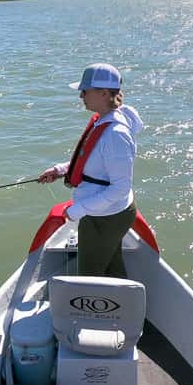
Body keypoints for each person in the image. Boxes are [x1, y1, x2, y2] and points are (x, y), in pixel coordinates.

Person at [38, 62, 144, 277]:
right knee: (111, 265)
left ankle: (98, 308)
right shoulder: (104, 121)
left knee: (89, 273)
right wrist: (60, 170)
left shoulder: (115, 134)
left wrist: (79, 209)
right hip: (104, 213)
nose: (81, 96)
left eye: (84, 91)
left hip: (104, 217)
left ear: (104, 93)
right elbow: (92, 161)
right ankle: (122, 301)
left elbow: (121, 188)